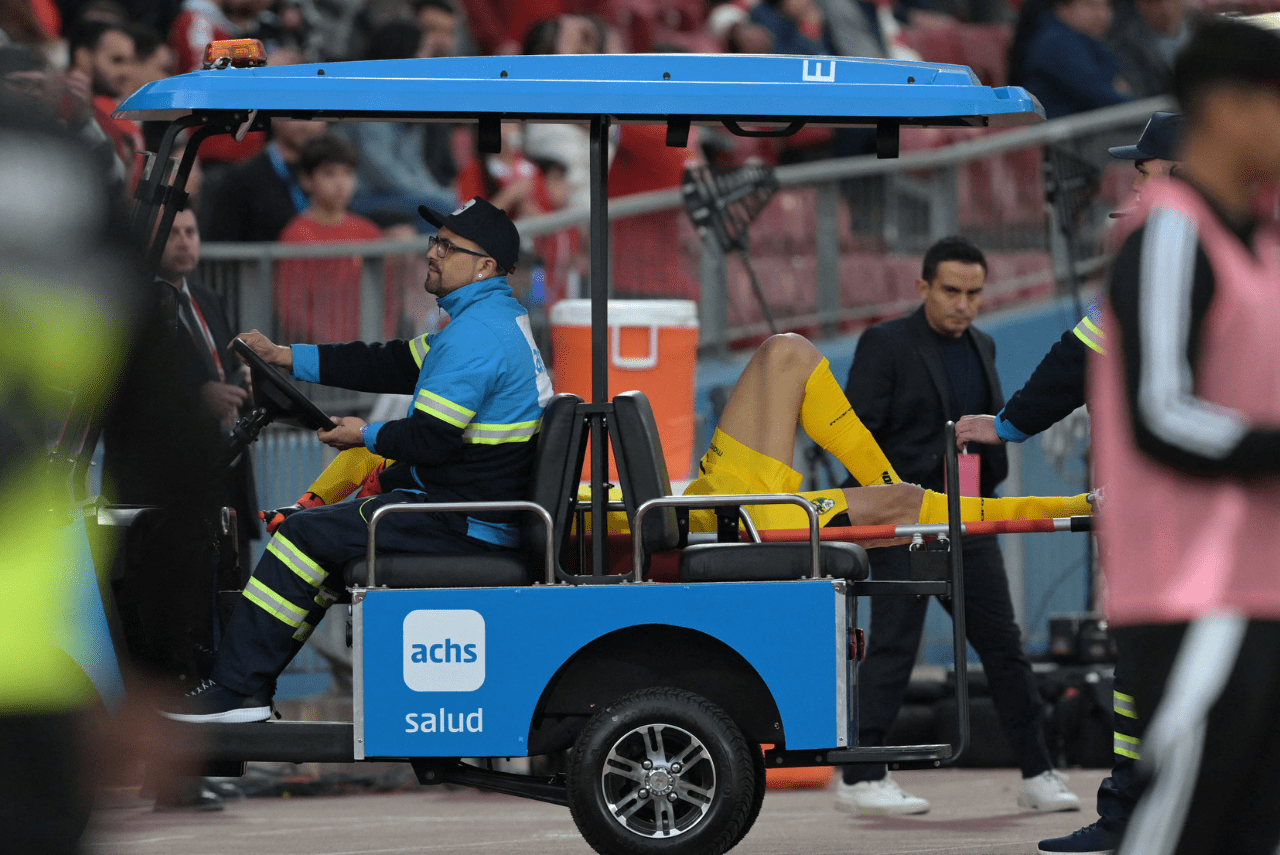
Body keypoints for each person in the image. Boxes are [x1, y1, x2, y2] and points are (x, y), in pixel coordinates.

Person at [161, 197, 553, 723]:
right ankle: (247, 684)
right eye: (434, 241)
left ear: (484, 266)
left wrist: (361, 434)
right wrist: (286, 356)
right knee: (315, 537)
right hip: (463, 508)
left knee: (302, 535)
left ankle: (236, 690)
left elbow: (432, 438)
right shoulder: (487, 320)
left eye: (446, 246)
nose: (431, 253)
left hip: (459, 517)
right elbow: (388, 362)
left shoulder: (476, 336)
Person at [266, 330, 1091, 541]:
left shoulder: (416, 442)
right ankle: (1080, 502)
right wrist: (301, 507)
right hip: (709, 516)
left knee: (789, 354)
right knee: (912, 506)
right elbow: (359, 463)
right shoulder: (414, 470)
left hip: (706, 500)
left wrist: (307, 498)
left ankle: (1078, 502)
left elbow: (361, 454)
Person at [1090, 19, 1280, 855]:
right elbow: (1161, 409)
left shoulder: (1263, 240)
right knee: (1181, 833)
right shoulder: (1169, 230)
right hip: (1196, 592)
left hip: (1261, 588)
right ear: (1231, 109)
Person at [836, 236, 1081, 815]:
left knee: (1004, 648)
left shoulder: (984, 344)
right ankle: (862, 777)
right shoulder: (885, 343)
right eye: (951, 291)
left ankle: (1038, 771)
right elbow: (854, 438)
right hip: (907, 521)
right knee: (895, 644)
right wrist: (900, 500)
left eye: (974, 292)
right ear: (923, 287)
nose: (963, 303)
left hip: (968, 520)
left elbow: (990, 430)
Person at [273, 132, 383, 344]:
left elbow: (386, 297)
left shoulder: (370, 232)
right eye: (329, 174)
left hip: (367, 348)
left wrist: (380, 339)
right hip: (316, 356)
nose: (341, 183)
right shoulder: (296, 234)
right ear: (306, 179)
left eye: (347, 173)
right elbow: (291, 307)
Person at [201, 116, 323, 242]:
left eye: (315, 115)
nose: (306, 125)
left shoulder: (340, 172)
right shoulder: (242, 178)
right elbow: (223, 248)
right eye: (297, 114)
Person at [1009, 0, 1131, 120]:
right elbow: (1103, 97)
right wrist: (1122, 92)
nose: (1102, 14)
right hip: (1065, 135)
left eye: (1107, 5)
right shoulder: (1055, 43)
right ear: (1062, 7)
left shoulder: (1089, 41)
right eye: (1090, 5)